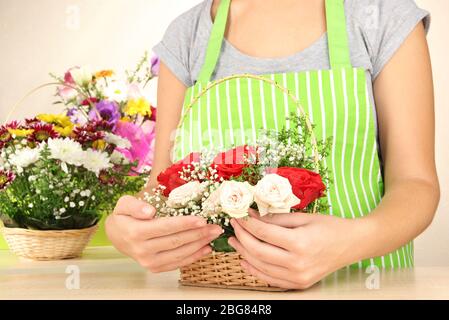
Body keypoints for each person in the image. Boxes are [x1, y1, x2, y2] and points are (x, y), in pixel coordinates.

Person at [106, 0, 439, 289]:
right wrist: (126, 227)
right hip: (224, 297)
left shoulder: (379, 15)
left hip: (362, 288)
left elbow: (416, 183)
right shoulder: (188, 35)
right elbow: (161, 185)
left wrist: (352, 241)